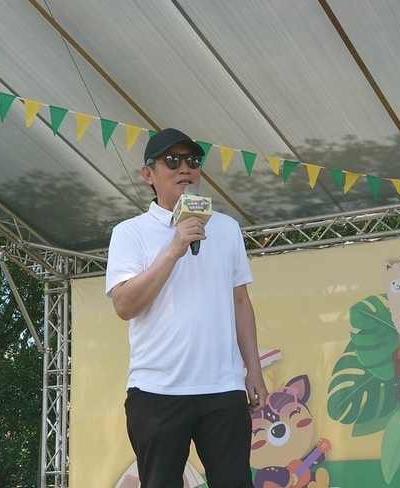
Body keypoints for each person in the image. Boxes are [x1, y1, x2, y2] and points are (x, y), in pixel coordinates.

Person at [105, 128, 268, 488]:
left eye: (192, 161)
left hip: (222, 386)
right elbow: (124, 305)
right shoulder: (130, 232)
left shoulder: (226, 227)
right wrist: (174, 247)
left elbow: (241, 302)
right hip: (157, 390)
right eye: (172, 160)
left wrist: (254, 371)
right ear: (148, 174)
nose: (185, 168)